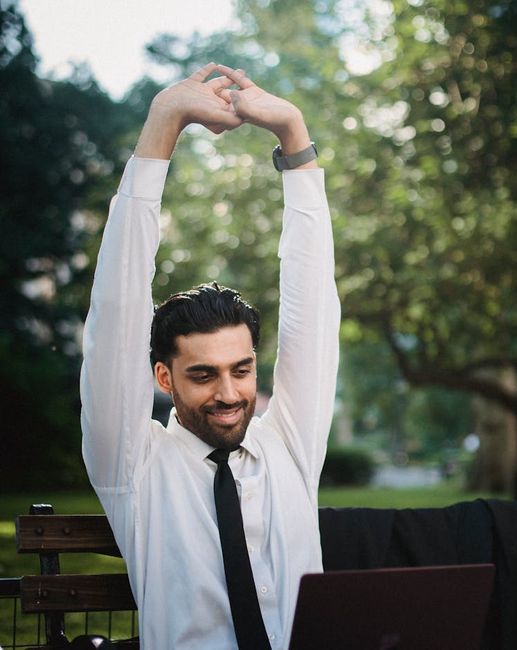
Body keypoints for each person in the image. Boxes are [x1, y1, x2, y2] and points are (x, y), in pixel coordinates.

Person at [80, 63, 340, 649]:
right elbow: (117, 311)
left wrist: (295, 139)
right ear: (163, 378)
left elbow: (314, 308)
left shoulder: (290, 447)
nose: (228, 393)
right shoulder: (132, 466)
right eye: (203, 375)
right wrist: (164, 121)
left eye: (241, 370)